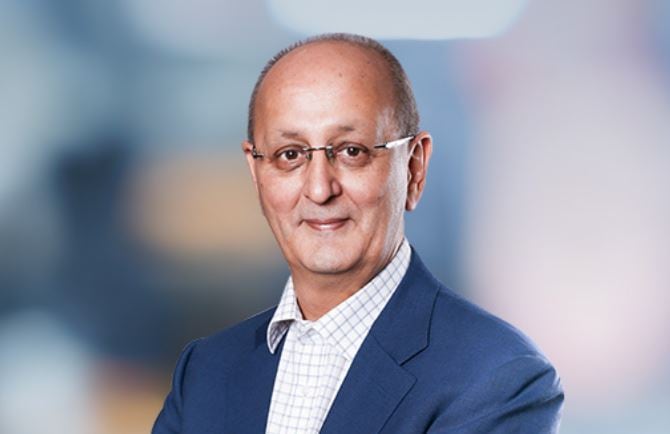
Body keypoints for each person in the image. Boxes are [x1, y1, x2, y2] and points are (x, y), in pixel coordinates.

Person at [152, 33, 564, 434]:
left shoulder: (497, 378)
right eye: (290, 155)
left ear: (414, 167)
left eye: (351, 151)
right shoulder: (206, 371)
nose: (319, 189)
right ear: (256, 172)